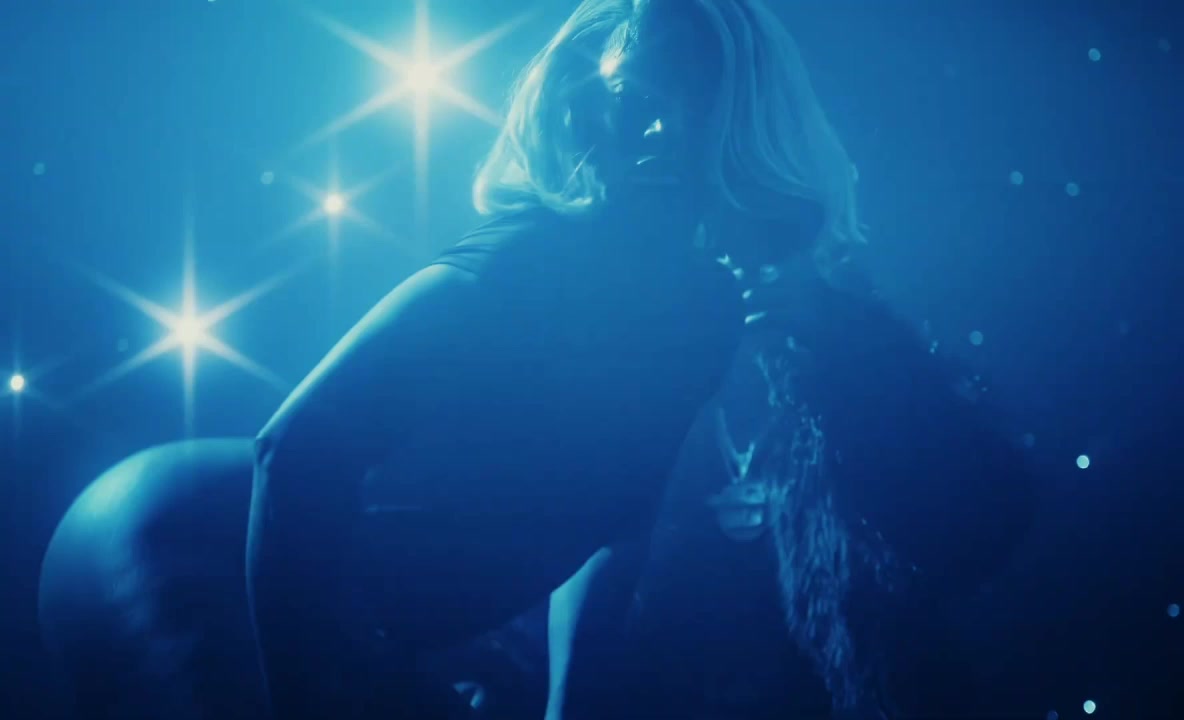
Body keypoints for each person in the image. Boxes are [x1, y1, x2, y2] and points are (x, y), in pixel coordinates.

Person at [246, 0, 859, 718]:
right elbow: (291, 453)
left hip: (354, 625)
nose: (660, 131)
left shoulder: (709, 311)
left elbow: (614, 530)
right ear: (590, 107)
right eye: (637, 97)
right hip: (213, 567)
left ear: (737, 119)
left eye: (694, 100)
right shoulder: (522, 258)